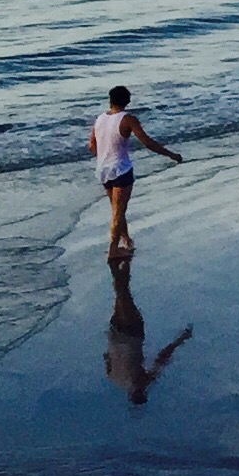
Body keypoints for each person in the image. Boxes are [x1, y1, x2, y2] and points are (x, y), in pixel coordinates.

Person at [91, 85, 181, 260]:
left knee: (117, 209)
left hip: (102, 169)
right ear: (128, 101)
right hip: (121, 169)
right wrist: (171, 154)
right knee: (118, 211)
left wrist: (103, 157)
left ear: (110, 100)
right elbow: (147, 142)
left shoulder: (99, 119)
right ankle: (113, 250)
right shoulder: (128, 119)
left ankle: (126, 240)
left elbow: (92, 145)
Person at [104, 267, 191, 406]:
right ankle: (119, 260)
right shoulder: (115, 380)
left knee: (122, 291)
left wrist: (180, 340)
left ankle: (116, 260)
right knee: (121, 293)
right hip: (114, 333)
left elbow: (162, 358)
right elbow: (106, 359)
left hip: (132, 333)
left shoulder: (140, 382)